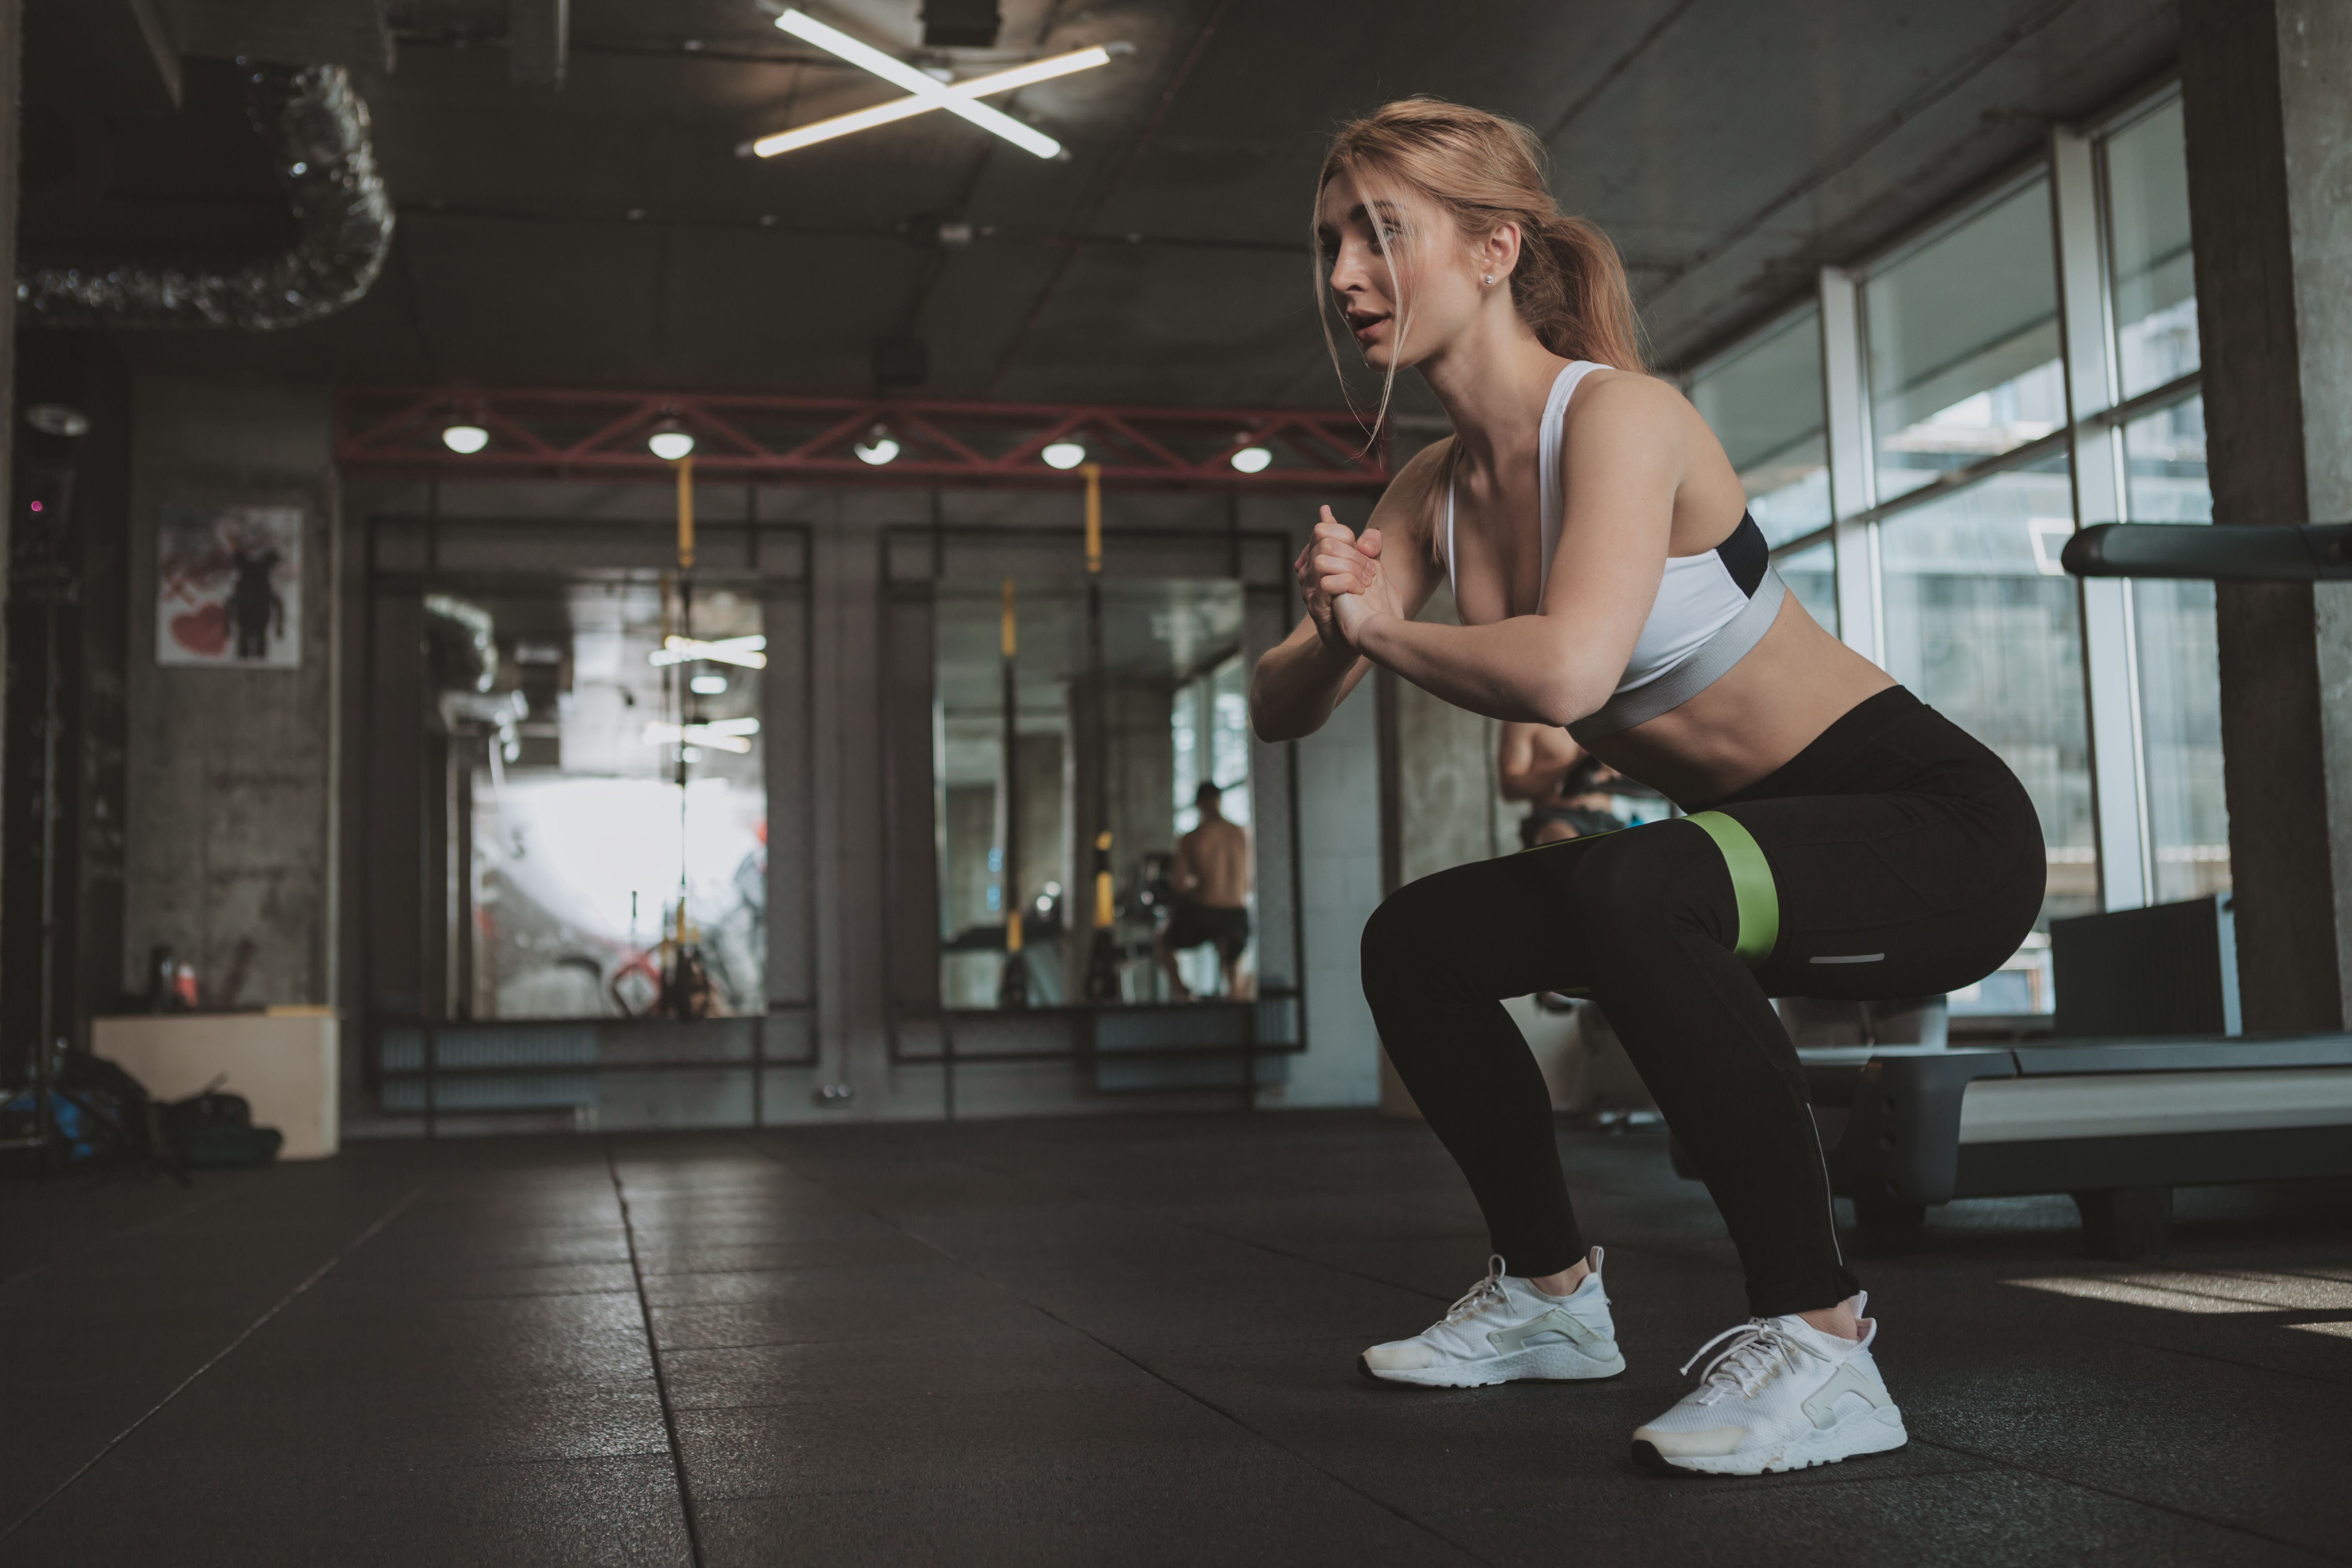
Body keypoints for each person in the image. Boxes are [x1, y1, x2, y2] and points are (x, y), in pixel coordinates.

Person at [1248, 98, 2043, 1476]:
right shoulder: (1433, 487)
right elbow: (1275, 710)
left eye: (1381, 236)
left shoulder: (1619, 418)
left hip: (1930, 827)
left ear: (1493, 248)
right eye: (1332, 244)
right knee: (1418, 942)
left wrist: (1378, 631)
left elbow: (1563, 672)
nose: (1343, 278)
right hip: (1744, 840)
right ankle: (1550, 1298)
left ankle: (1822, 1340)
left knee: (1639, 879)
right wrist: (1333, 628)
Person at [1154, 781, 1253, 1000]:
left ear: (1199, 804)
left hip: (1206, 912)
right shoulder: (1243, 834)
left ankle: (1183, 993)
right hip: (1238, 913)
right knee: (1234, 977)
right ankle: (1237, 1009)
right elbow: (1250, 882)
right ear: (1220, 801)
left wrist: (1195, 887)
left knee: (1163, 940)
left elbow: (1179, 884)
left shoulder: (1192, 838)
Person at [1498, 722, 1622, 846]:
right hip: (1555, 819)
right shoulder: (1523, 721)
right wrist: (1575, 769)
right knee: (1563, 847)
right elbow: (1510, 787)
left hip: (1607, 818)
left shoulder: (1604, 715)